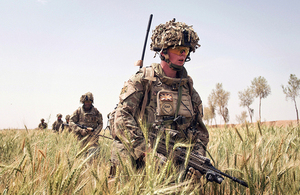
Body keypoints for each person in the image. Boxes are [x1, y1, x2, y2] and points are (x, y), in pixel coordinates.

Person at [110, 19, 209, 178]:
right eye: (178, 49)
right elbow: (122, 118)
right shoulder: (143, 81)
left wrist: (197, 160)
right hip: (140, 160)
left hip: (174, 162)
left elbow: (200, 132)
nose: (183, 54)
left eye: (186, 50)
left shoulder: (189, 89)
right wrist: (146, 153)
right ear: (163, 52)